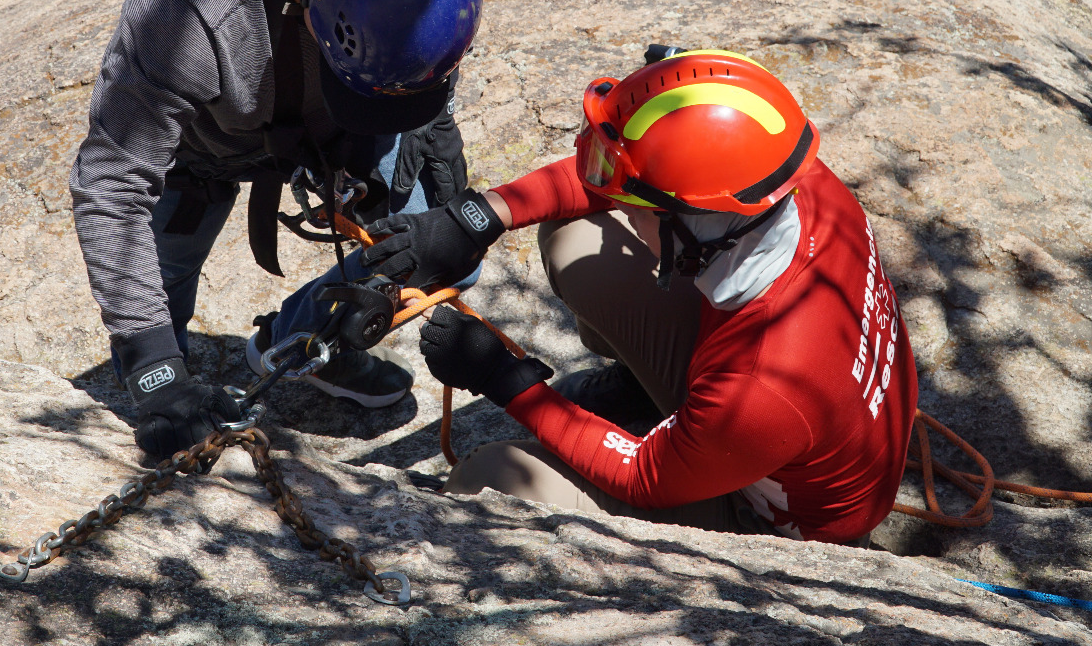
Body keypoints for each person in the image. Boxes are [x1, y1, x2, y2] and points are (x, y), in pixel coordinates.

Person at [363, 48, 919, 542]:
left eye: (638, 206)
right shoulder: (787, 181)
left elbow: (642, 476)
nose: (620, 206)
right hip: (755, 418)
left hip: (767, 514)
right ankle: (645, 395)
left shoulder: (762, 388)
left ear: (695, 223)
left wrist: (505, 381)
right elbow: (623, 180)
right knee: (575, 240)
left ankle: (675, 429)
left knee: (491, 476)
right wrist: (477, 217)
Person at [70, 0, 498, 460]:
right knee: (159, 306)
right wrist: (153, 365)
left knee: (448, 247)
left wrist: (435, 113)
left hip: (356, 114)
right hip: (207, 143)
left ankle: (304, 342)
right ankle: (169, 367)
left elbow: (449, 11)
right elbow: (112, 183)